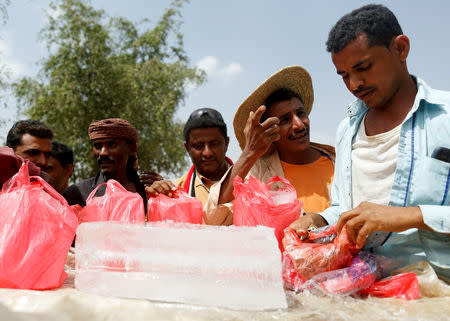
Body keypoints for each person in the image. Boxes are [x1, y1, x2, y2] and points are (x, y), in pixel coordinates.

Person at [289, 4, 450, 278]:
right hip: (364, 291)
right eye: (343, 75)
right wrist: (317, 220)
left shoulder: (444, 117)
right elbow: (344, 207)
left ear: (400, 48)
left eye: (363, 67)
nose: (354, 84)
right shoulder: (346, 130)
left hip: (436, 295)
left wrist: (412, 216)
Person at [204, 66, 335, 225]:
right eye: (285, 120)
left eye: (301, 113)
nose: (299, 124)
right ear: (269, 131)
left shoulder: (337, 161)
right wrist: (249, 152)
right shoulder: (260, 173)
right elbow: (214, 218)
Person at [146, 108, 233, 223]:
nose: (207, 153)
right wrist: (156, 203)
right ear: (187, 148)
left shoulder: (251, 185)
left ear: (226, 143)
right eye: (198, 145)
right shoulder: (174, 193)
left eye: (214, 144)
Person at [63, 118, 147, 209]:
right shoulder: (77, 194)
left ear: (132, 148)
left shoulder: (147, 190)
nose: (103, 153)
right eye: (98, 146)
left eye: (112, 145)